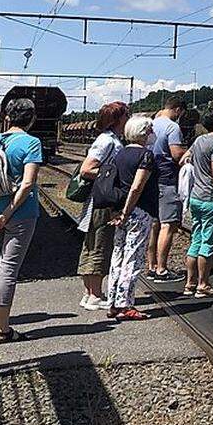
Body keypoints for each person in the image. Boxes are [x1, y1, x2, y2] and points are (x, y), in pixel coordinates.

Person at [0, 98, 43, 343]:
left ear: (7, 117)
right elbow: (28, 183)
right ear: (32, 118)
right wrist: (9, 213)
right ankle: (3, 329)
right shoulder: (31, 143)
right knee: (8, 268)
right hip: (19, 215)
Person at [75, 101, 130, 312]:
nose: (128, 120)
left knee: (91, 244)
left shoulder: (108, 139)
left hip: (98, 200)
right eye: (126, 116)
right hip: (102, 201)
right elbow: (87, 169)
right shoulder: (107, 141)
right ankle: (95, 295)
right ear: (117, 119)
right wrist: (112, 176)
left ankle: (90, 293)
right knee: (99, 244)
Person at [105, 116, 158, 321]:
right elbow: (137, 187)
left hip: (120, 212)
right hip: (138, 211)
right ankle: (125, 304)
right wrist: (127, 211)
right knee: (133, 257)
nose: (152, 133)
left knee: (117, 255)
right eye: (150, 130)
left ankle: (112, 302)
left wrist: (118, 213)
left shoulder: (120, 154)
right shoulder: (146, 156)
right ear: (143, 132)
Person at [184, 109, 213, 298]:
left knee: (196, 239)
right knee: (208, 242)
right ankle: (203, 284)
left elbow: (186, 157)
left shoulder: (199, 140)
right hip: (209, 197)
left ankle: (189, 283)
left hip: (195, 196)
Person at [148, 96, 187, 282]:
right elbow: (176, 154)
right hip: (167, 178)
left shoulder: (151, 124)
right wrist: (189, 152)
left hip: (151, 179)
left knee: (154, 224)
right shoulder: (173, 127)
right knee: (168, 225)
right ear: (178, 110)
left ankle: (151, 266)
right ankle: (162, 270)